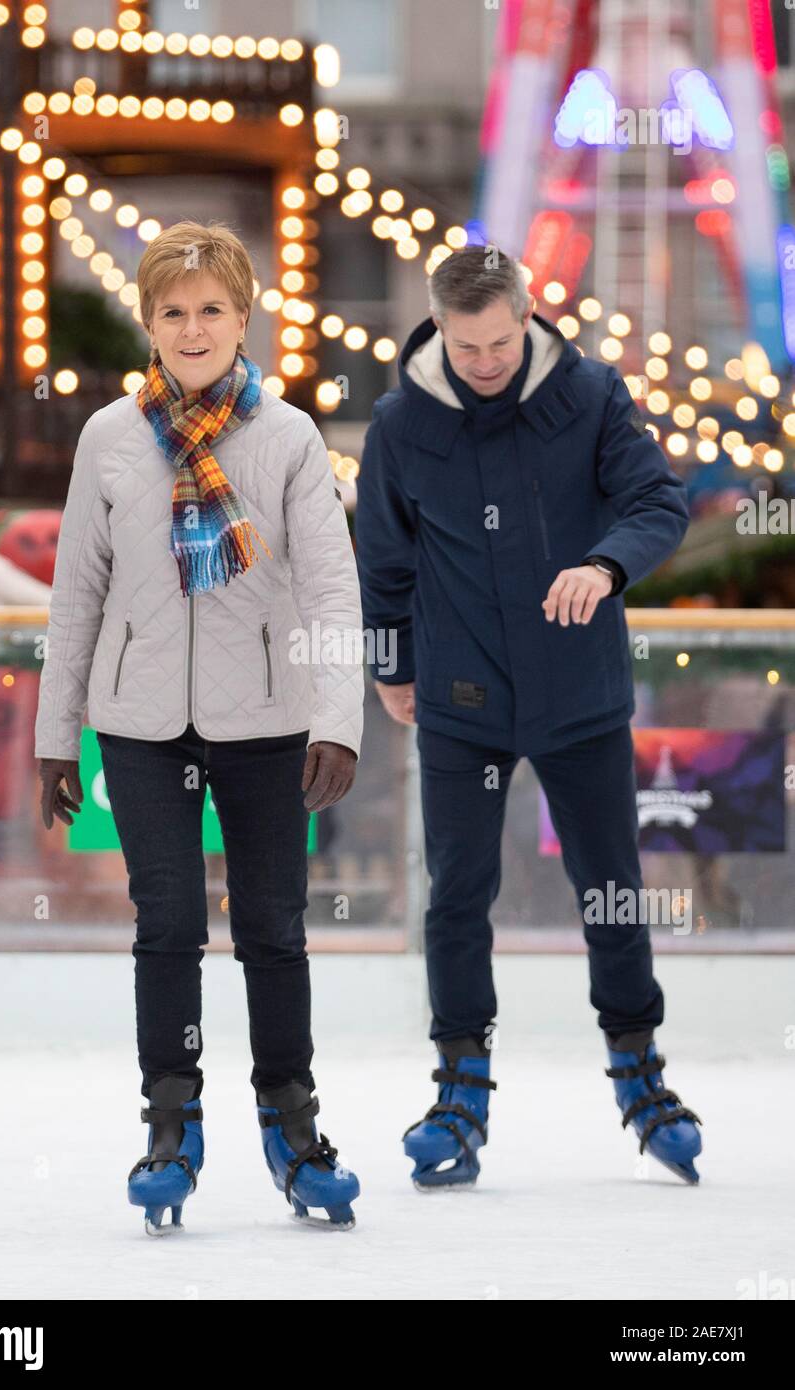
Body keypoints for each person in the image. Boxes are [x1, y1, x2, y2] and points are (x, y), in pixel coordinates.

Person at [34, 220, 364, 1233]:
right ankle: (171, 1122)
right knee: (167, 926)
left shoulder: (290, 437)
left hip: (267, 719)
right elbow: (76, 594)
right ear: (148, 321)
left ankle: (292, 1122)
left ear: (243, 316)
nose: (192, 328)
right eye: (172, 311)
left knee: (273, 927)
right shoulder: (109, 438)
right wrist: (58, 734)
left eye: (211, 308)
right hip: (138, 727)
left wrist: (337, 717)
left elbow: (329, 587)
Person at [355, 244, 703, 1190]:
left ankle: (639, 1068)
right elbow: (382, 557)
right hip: (462, 698)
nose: (485, 363)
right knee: (456, 895)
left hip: (577, 695)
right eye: (467, 347)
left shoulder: (589, 394)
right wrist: (392, 665)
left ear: (527, 315)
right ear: (438, 328)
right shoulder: (400, 422)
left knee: (609, 888)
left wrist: (603, 566)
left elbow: (656, 499)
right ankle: (459, 1086)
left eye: (500, 342)